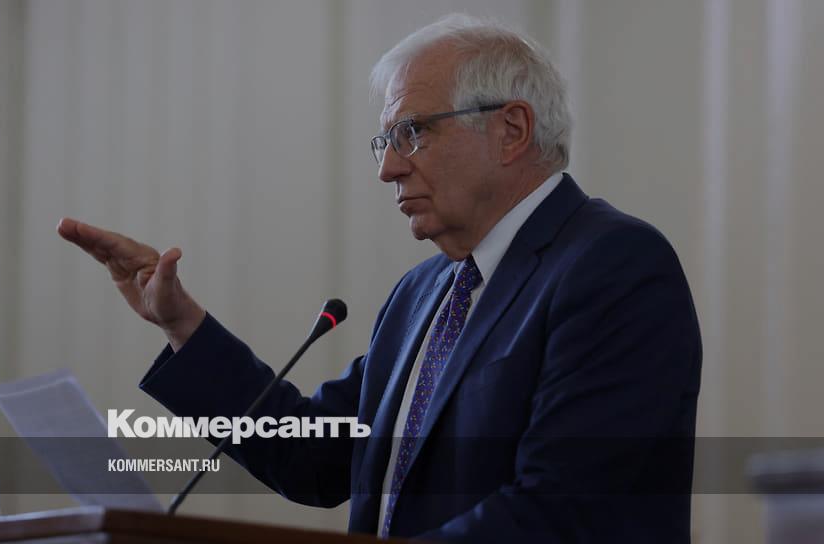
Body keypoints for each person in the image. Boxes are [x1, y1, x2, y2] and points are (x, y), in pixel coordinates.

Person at [58, 13, 701, 542]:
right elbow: (313, 457)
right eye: (386, 140)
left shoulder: (613, 266)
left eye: (411, 132)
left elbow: (565, 509)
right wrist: (182, 325)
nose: (388, 168)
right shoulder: (424, 293)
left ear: (511, 130)